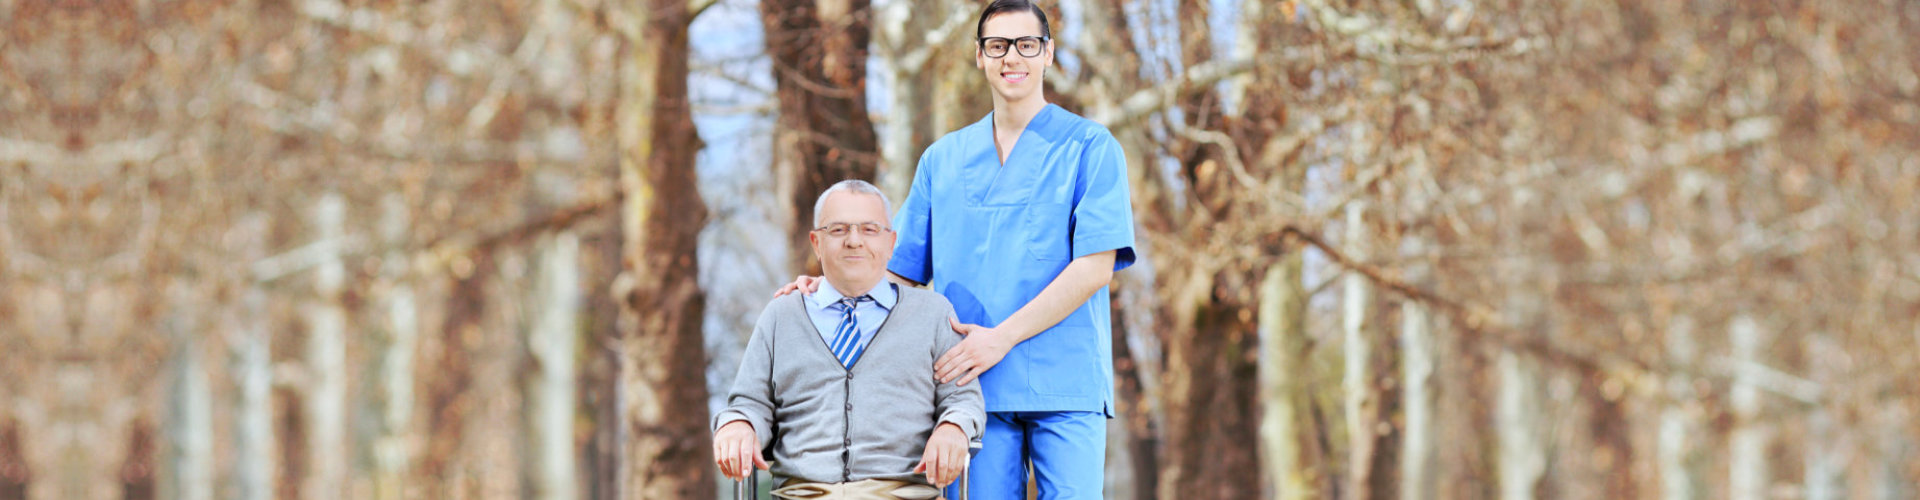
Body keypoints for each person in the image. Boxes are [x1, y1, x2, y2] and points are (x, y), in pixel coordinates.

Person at [777, 1, 1136, 497]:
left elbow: (1095, 267)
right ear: (979, 57)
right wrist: (829, 290)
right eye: (997, 46)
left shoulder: (1091, 148)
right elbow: (899, 273)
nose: (1012, 58)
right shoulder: (942, 159)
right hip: (967, 387)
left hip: (1064, 383)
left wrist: (1002, 338)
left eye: (1026, 45)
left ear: (1048, 54)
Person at [716, 180, 985, 499]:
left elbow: (963, 400)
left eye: (870, 230)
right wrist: (737, 425)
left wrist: (953, 427)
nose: (854, 241)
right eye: (839, 230)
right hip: (804, 493)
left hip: (901, 493)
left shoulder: (933, 314)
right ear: (817, 242)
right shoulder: (781, 316)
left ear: (891, 243)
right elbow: (749, 402)